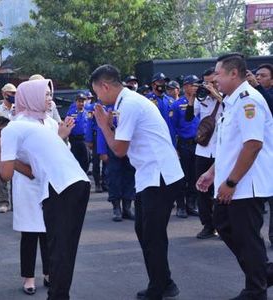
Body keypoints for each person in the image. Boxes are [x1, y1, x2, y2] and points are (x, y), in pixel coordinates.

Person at [0, 78, 90, 300]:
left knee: (59, 249)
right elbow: (30, 170)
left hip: (61, 187)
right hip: (76, 183)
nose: (49, 100)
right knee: (63, 248)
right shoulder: (29, 124)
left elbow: (6, 174)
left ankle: (58, 295)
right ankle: (59, 294)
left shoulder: (15, 128)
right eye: (45, 95)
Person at [91, 64, 184, 300]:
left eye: (97, 93)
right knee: (145, 230)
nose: (97, 99)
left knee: (151, 234)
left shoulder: (130, 103)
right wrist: (109, 125)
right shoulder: (125, 103)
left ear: (105, 86)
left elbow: (119, 149)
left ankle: (159, 288)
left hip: (161, 175)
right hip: (149, 175)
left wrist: (103, 126)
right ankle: (164, 281)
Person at [196, 53, 273, 300]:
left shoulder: (248, 100)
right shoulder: (231, 102)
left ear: (233, 73)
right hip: (231, 183)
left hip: (245, 185)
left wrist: (231, 182)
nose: (214, 79)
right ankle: (262, 274)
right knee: (224, 225)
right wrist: (211, 172)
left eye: (218, 73)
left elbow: (252, 145)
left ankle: (256, 290)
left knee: (246, 238)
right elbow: (228, 147)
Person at [185, 68, 223, 239]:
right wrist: (192, 97)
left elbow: (230, 108)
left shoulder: (228, 97)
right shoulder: (202, 98)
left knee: (221, 190)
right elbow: (188, 117)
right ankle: (207, 225)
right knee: (202, 188)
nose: (209, 86)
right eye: (206, 82)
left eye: (213, 82)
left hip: (222, 151)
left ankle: (223, 225)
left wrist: (215, 94)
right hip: (203, 150)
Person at [170, 75, 200, 218]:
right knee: (182, 177)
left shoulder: (202, 102)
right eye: (193, 84)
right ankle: (181, 206)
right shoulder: (176, 105)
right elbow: (171, 128)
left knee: (195, 176)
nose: (195, 87)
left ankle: (191, 204)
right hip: (183, 145)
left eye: (197, 84)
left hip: (199, 144)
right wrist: (173, 148)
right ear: (186, 86)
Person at [0, 83, 17, 213]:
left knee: (16, 174)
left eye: (15, 93)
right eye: (11, 93)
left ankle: (15, 202)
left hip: (15, 146)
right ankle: (3, 202)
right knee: (1, 174)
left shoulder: (18, 109)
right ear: (3, 93)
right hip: (1, 146)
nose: (13, 95)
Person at [146, 72, 177, 146]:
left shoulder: (171, 100)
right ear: (153, 85)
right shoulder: (146, 100)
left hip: (170, 139)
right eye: (160, 82)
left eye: (165, 82)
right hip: (154, 139)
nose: (164, 84)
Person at [66, 93, 90, 172]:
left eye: (83, 101)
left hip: (84, 140)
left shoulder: (88, 113)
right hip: (74, 140)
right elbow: (67, 125)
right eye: (79, 101)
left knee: (86, 159)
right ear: (76, 102)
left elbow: (90, 125)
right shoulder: (71, 113)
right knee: (75, 159)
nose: (81, 103)